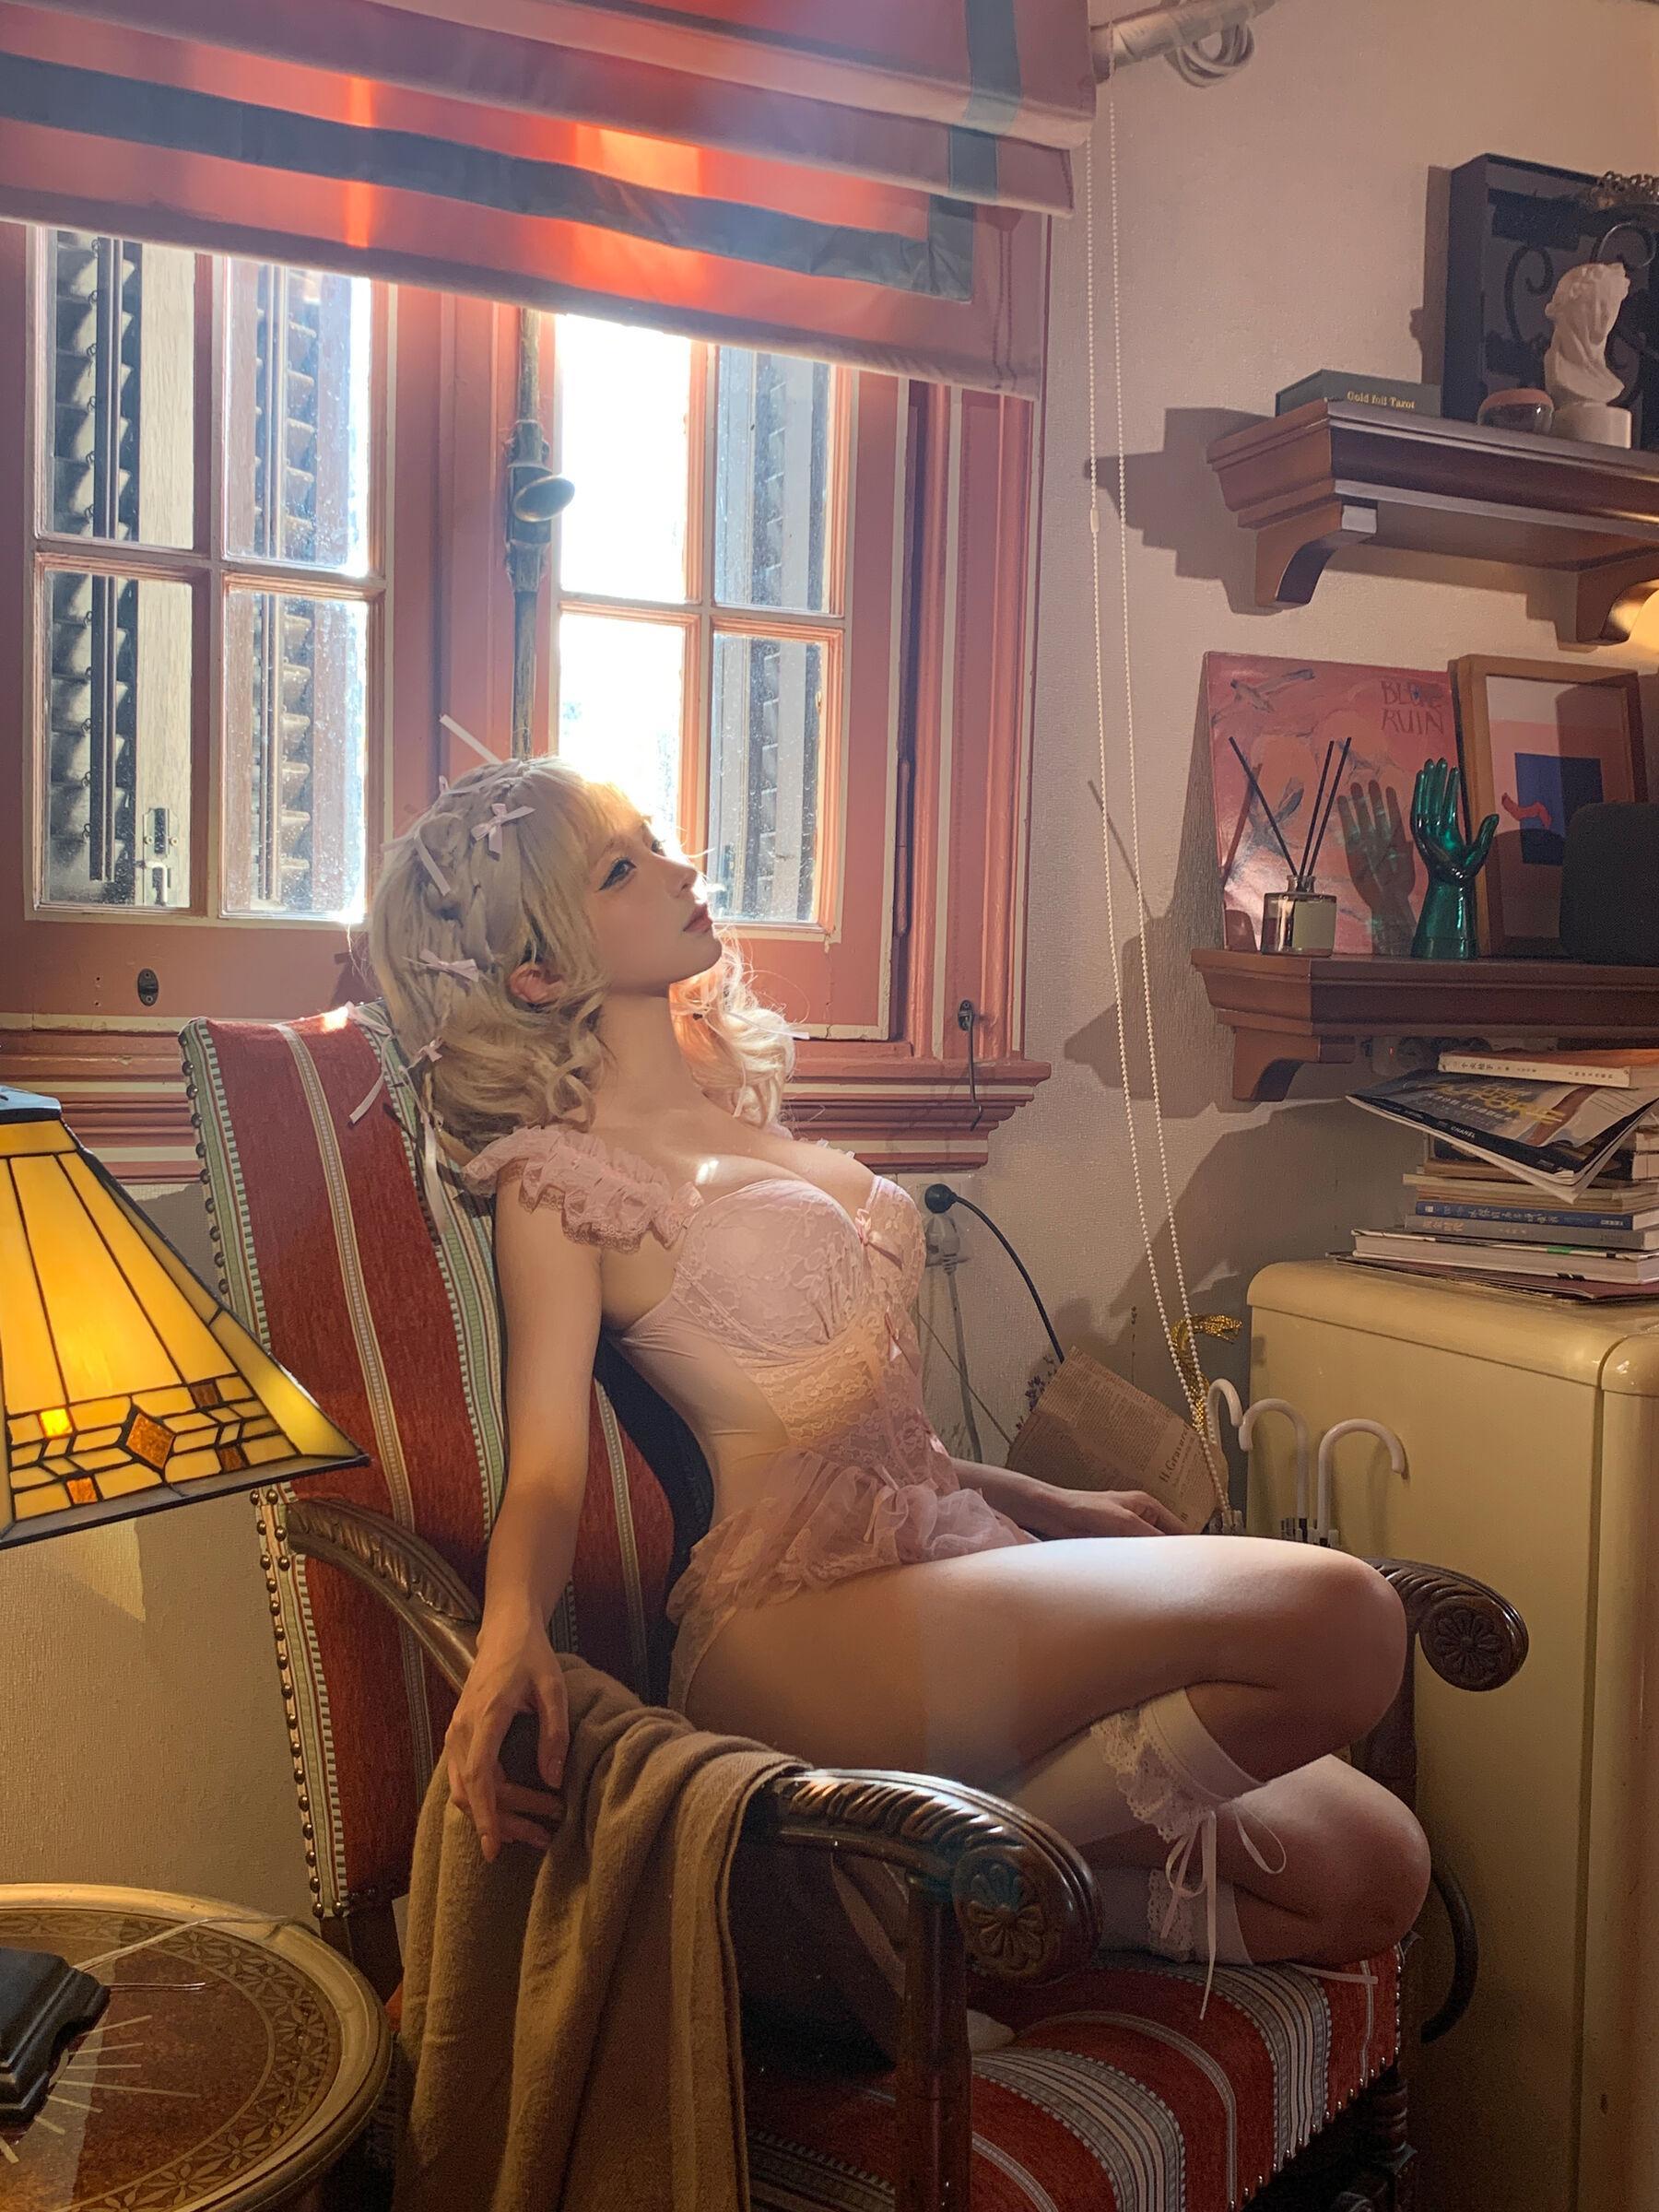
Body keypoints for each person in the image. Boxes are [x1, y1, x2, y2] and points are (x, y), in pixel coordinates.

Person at [366, 752, 1429, 1997]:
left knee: (1374, 1871)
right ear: (538, 973)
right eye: (619, 870)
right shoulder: (561, 1180)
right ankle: (950, 1877)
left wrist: (1051, 1502)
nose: (676, 866)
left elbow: (860, 1435)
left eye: (653, 840)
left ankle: (951, 1903)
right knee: (1345, 1621)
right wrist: (507, 1636)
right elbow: (546, 1473)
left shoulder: (748, 1122)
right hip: (792, 1628)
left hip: (940, 1563)